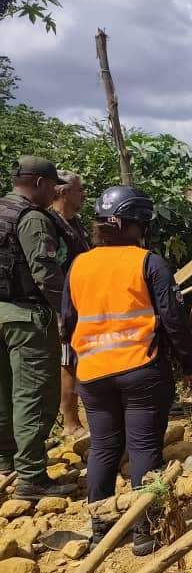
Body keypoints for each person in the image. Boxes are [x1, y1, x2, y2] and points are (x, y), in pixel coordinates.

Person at [63, 186, 192, 554]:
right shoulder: (147, 262)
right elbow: (174, 320)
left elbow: (67, 321)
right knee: (143, 449)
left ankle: (101, 528)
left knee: (104, 447)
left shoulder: (79, 264)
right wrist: (190, 365)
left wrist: (75, 368)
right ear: (139, 224)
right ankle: (145, 530)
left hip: (92, 373)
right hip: (141, 369)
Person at [0, 157, 77, 501]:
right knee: (33, 396)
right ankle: (32, 477)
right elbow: (45, 271)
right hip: (26, 319)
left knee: (3, 392)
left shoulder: (2, 210)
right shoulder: (32, 219)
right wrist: (67, 312)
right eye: (54, 185)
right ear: (42, 183)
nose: (56, 192)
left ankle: (6, 460)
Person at [49, 171, 91, 440]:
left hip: (81, 300)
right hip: (63, 302)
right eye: (80, 189)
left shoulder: (75, 223)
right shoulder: (49, 223)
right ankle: (69, 421)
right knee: (68, 361)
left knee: (79, 358)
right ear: (63, 192)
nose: (84, 194)